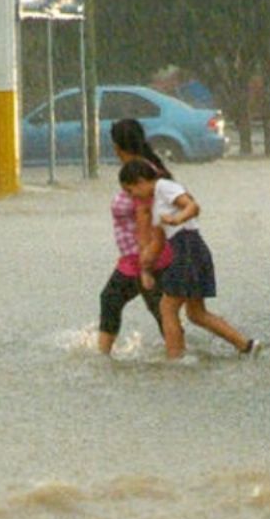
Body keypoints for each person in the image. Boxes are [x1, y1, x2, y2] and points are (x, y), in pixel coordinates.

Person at [119, 158, 260, 360]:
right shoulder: (156, 203)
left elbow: (192, 206)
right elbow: (158, 243)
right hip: (189, 249)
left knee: (167, 308)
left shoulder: (164, 187)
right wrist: (145, 267)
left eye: (131, 191)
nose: (133, 197)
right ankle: (246, 346)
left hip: (187, 247)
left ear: (140, 181)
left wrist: (177, 219)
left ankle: (175, 359)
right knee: (196, 313)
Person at [97, 119, 175, 355]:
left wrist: (146, 264)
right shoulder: (141, 170)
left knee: (157, 309)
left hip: (144, 257)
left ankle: (179, 357)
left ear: (118, 146)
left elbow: (148, 217)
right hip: (137, 257)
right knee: (157, 309)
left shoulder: (143, 175)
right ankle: (179, 356)